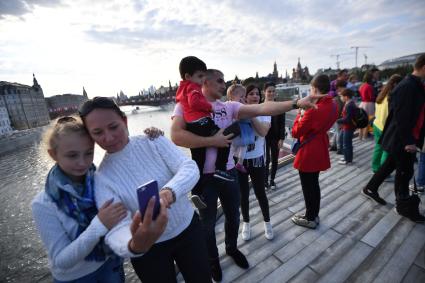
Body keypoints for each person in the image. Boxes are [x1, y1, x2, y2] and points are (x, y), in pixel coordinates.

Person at [171, 69, 319, 282]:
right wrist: (213, 141)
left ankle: (231, 248)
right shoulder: (186, 105)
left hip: (229, 172)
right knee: (207, 224)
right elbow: (176, 136)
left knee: (234, 215)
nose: (225, 84)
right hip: (205, 179)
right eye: (220, 81)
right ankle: (213, 260)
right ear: (204, 81)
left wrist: (295, 104)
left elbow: (262, 107)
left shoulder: (229, 107)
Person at [78, 97, 212, 283]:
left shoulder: (154, 141)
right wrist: (133, 244)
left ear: (124, 120)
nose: (108, 138)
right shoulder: (101, 179)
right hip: (148, 251)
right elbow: (117, 228)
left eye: (113, 127)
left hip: (188, 230)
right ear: (90, 136)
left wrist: (168, 192)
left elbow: (189, 168)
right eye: (98, 132)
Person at [32, 116, 127, 283]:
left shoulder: (101, 180)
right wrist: (100, 224)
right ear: (53, 154)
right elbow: (61, 261)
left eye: (89, 153)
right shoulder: (43, 204)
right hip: (76, 278)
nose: (82, 163)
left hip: (110, 264)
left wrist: (151, 138)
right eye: (72, 155)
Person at [361, 54, 425, 223]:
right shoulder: (408, 87)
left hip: (404, 138)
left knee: (390, 165)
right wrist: (409, 141)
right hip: (403, 140)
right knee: (405, 173)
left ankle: (370, 188)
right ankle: (403, 206)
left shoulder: (414, 85)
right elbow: (401, 118)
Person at [291, 74, 338, 229]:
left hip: (309, 151)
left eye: (311, 88)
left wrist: (300, 113)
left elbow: (295, 132)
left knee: (308, 186)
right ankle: (314, 214)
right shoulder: (333, 105)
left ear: (315, 89)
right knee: (314, 184)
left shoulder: (312, 110)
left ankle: (310, 218)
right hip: (320, 146)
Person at [176, 56, 233, 182]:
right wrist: (209, 108)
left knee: (198, 158)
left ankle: (197, 188)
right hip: (201, 122)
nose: (202, 80)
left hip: (192, 124)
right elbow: (194, 102)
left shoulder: (183, 89)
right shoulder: (193, 88)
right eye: (200, 76)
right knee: (225, 136)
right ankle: (220, 169)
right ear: (188, 76)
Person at [237, 84, 274, 241]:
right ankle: (246, 223)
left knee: (261, 193)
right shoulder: (237, 111)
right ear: (245, 97)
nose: (255, 96)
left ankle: (267, 222)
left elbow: (263, 131)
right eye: (251, 93)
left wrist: (251, 114)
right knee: (243, 195)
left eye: (257, 94)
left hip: (258, 159)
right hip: (240, 160)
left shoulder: (265, 111)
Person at [371, 74, 403, 173]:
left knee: (378, 147)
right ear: (397, 84)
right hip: (385, 127)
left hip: (376, 124)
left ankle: (375, 168)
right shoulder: (394, 96)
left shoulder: (382, 94)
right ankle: (382, 172)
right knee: (386, 150)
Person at [226, 83, 253, 174]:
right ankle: (239, 163)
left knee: (234, 147)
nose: (243, 99)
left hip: (235, 131)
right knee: (242, 146)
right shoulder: (235, 105)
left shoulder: (228, 104)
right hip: (237, 131)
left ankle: (234, 162)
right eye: (241, 96)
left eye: (244, 96)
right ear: (232, 96)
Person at [264, 82, 286, 190]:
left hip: (275, 137)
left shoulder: (279, 106)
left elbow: (282, 123)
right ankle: (264, 181)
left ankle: (272, 180)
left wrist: (282, 138)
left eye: (273, 91)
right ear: (265, 92)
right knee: (265, 160)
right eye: (269, 91)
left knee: (274, 160)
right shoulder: (260, 105)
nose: (271, 93)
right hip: (263, 137)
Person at [337, 89, 357, 165]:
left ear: (346, 97)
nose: (341, 98)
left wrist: (338, 120)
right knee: (343, 141)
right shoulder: (349, 103)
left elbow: (348, 119)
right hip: (346, 127)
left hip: (348, 127)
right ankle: (346, 156)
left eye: (341, 96)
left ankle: (347, 160)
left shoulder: (349, 105)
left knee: (346, 143)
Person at [330, 80, 347, 154]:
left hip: (335, 118)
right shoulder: (339, 97)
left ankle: (334, 146)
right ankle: (339, 148)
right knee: (339, 133)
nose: (345, 88)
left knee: (336, 132)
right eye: (344, 87)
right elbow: (340, 108)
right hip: (339, 118)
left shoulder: (335, 96)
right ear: (339, 88)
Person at [358, 72, 375, 140]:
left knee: (361, 121)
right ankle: (365, 136)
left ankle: (360, 136)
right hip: (369, 104)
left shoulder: (361, 86)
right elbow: (371, 97)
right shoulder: (369, 86)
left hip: (362, 103)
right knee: (368, 121)